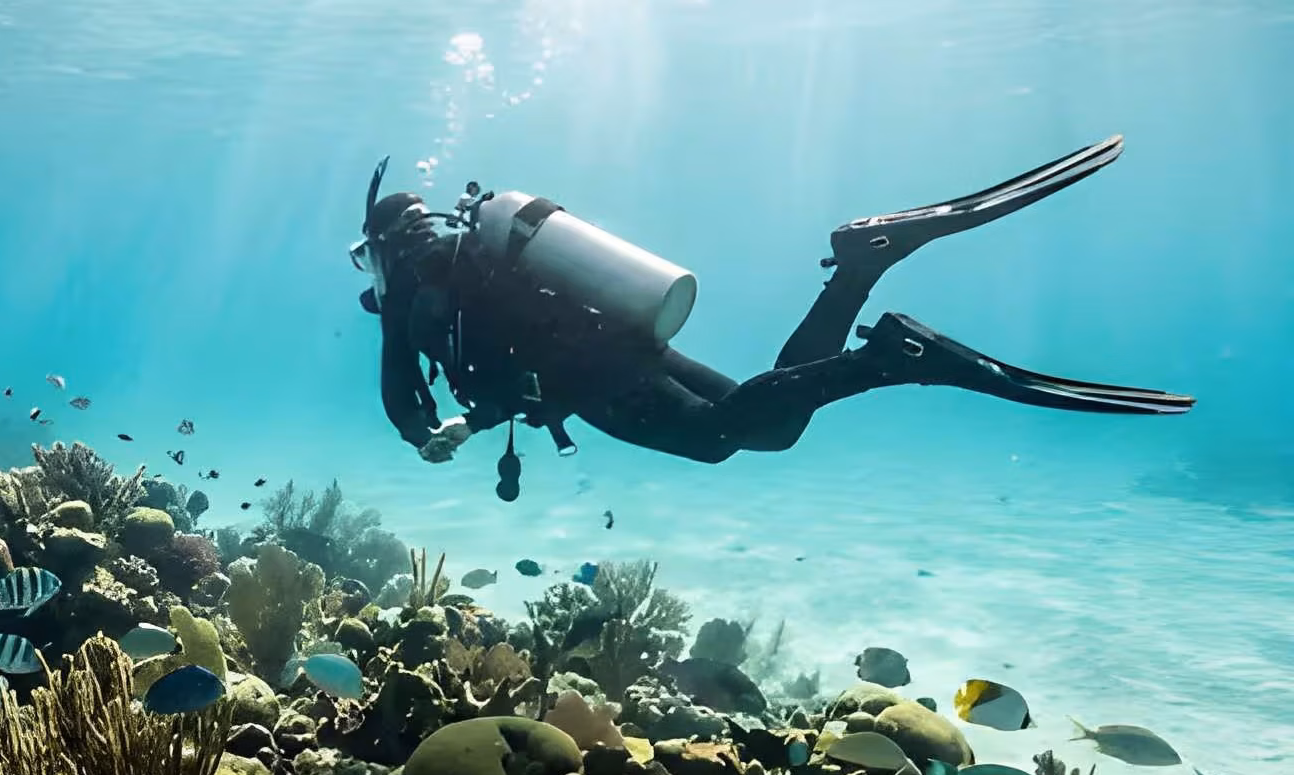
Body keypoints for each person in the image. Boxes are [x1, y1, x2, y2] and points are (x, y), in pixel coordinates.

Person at [350, 134, 1195, 501]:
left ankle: (898, 356)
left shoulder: (421, 293)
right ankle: (860, 267)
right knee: (774, 422)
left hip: (592, 375)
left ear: (384, 245)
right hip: (623, 340)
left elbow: (411, 402)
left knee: (725, 436)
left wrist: (448, 423)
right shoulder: (476, 253)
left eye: (368, 258)